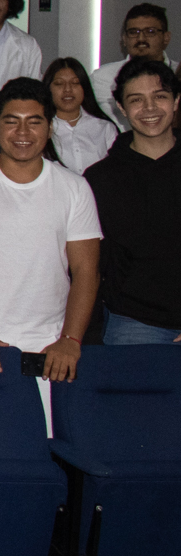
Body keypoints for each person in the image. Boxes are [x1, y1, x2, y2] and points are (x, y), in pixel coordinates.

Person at [0, 77, 101, 456]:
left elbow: (86, 271)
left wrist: (71, 340)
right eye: (11, 121)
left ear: (50, 126)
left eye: (35, 121)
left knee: (38, 460)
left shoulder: (74, 187)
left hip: (47, 347)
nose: (22, 132)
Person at [83, 59, 181, 344]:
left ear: (176, 101)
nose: (149, 109)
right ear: (122, 109)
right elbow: (93, 263)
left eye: (160, 97)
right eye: (136, 100)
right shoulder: (100, 179)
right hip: (134, 323)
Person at [44, 58, 117, 175]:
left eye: (75, 83)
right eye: (59, 84)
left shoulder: (105, 128)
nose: (67, 89)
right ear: (48, 88)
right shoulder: (41, 128)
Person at [90, 4, 173, 105]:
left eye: (150, 32)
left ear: (166, 38)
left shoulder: (178, 74)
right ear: (124, 39)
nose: (141, 38)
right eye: (133, 32)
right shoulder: (102, 78)